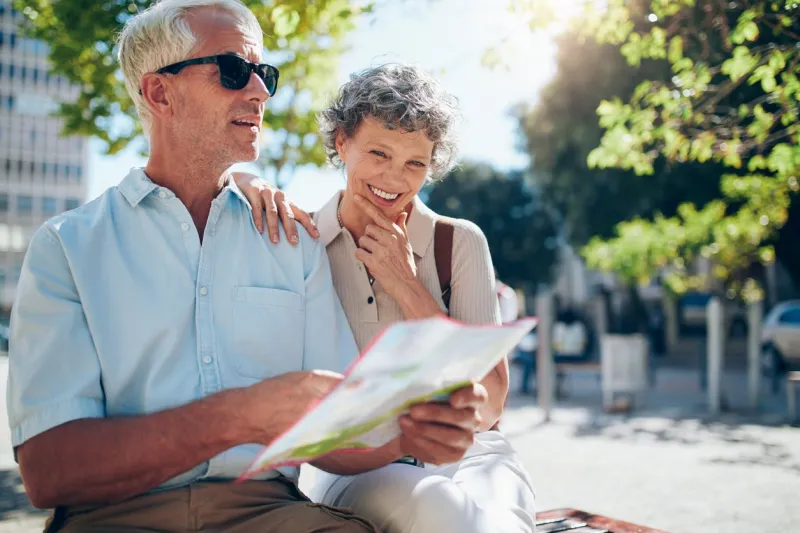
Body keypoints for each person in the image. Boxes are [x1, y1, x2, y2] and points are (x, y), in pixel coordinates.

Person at [7, 3, 488, 532]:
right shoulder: (67, 247)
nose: (260, 91)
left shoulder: (293, 242)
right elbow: (48, 472)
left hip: (269, 510)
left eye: (265, 74)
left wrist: (408, 437)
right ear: (159, 93)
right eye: (234, 70)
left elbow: (336, 435)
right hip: (113, 517)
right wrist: (240, 416)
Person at [235, 64, 536, 533]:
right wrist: (241, 178)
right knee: (438, 508)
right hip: (360, 466)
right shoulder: (302, 246)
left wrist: (408, 286)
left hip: (474, 454)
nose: (395, 178)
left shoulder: (457, 243)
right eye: (379, 153)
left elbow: (490, 407)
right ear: (342, 142)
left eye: (415, 163)